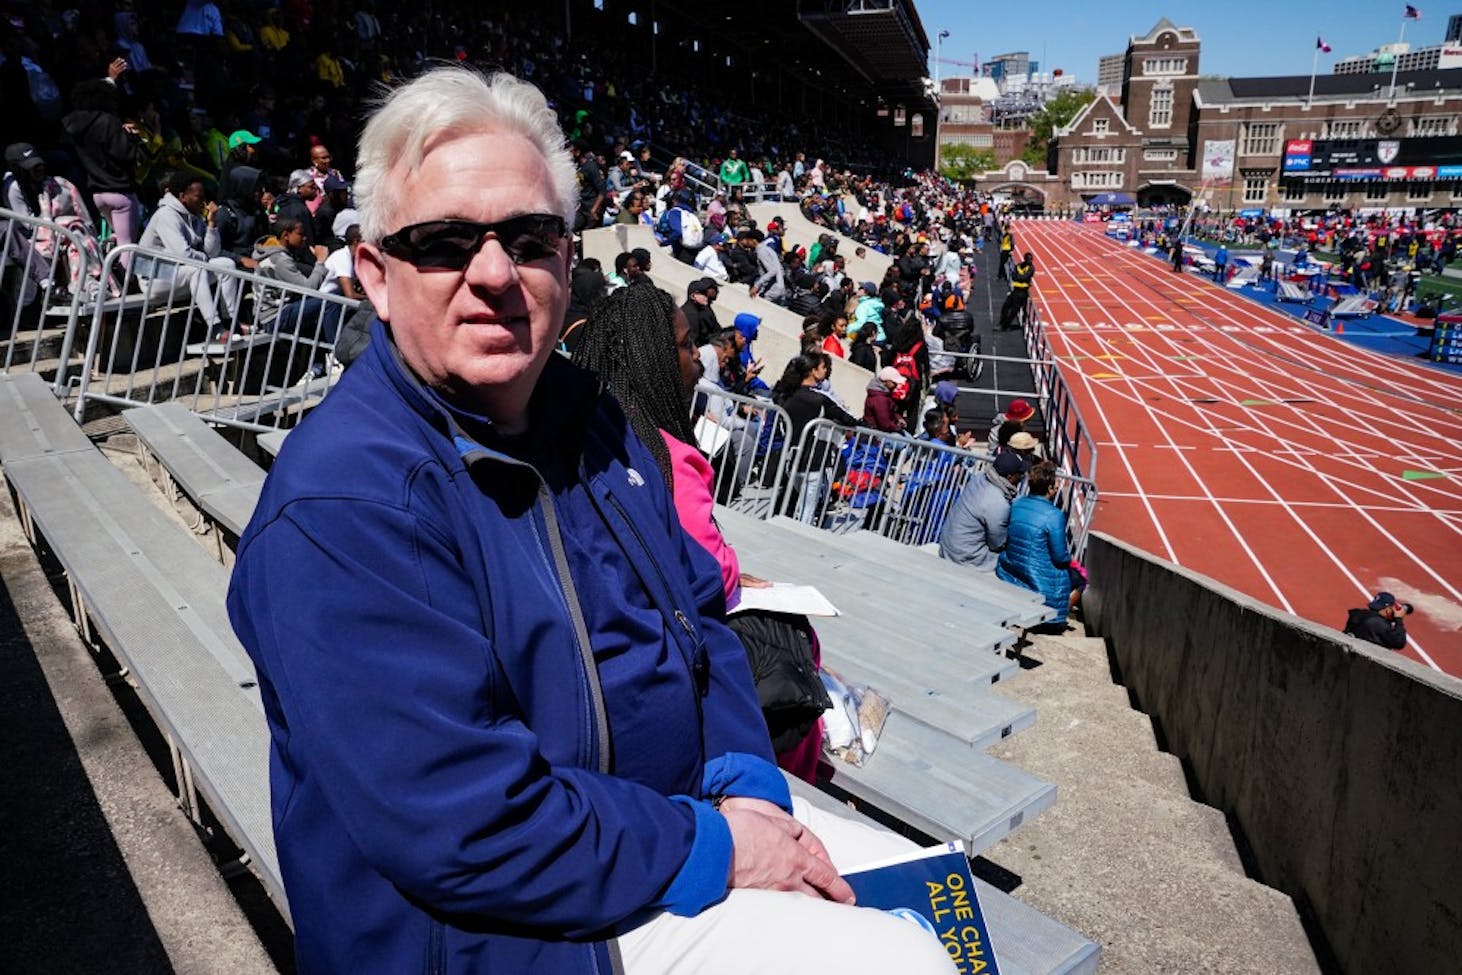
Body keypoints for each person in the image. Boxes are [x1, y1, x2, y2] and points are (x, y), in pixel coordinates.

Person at [227, 67, 953, 975]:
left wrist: (747, 787)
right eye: (446, 243)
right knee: (907, 962)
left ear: (568, 262)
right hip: (500, 930)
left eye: (527, 238)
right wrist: (723, 847)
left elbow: (701, 628)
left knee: (936, 903)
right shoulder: (343, 506)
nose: (493, 274)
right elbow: (469, 825)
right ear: (375, 274)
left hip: (670, 828)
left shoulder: (598, 418)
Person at [136, 173, 243, 339]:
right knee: (196, 270)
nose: (202, 201)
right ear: (182, 196)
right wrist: (205, 260)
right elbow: (182, 255)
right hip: (154, 277)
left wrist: (211, 223)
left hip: (179, 274)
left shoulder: (194, 216)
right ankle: (216, 328)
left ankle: (231, 322)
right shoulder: (166, 215)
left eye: (203, 196)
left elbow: (212, 252)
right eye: (198, 197)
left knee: (227, 265)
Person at [997, 461, 1081, 630]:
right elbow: (1060, 557)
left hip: (1010, 572)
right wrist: (1072, 563)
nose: (1057, 487)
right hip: (1039, 584)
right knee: (1082, 578)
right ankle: (1057, 618)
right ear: (1049, 488)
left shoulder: (1017, 503)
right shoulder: (1054, 515)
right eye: (1056, 483)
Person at [940, 451, 1028, 570]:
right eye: (1020, 474)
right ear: (1010, 477)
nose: (1022, 477)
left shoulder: (980, 478)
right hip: (965, 557)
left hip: (949, 545)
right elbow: (997, 543)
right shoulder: (997, 503)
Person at [1342, 592, 1412, 650]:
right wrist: (1398, 619)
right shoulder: (1378, 624)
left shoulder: (1359, 614)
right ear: (1388, 610)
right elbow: (1399, 643)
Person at [862, 366, 907, 433]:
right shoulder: (880, 399)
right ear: (886, 381)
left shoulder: (884, 395)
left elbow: (890, 411)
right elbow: (885, 424)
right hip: (877, 434)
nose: (896, 385)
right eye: (894, 382)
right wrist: (898, 428)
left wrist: (898, 418)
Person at [998, 252, 1034, 330]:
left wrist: (1019, 277)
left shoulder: (1031, 268)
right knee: (1006, 306)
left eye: (1031, 259)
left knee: (1014, 310)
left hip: (1023, 292)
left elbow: (1025, 277)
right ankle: (1002, 322)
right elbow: (1014, 276)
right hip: (1015, 290)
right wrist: (1020, 277)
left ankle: (1005, 326)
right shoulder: (1018, 266)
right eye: (1028, 259)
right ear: (1025, 259)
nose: (1030, 261)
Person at [682, 277, 721, 347]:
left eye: (706, 293)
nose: (706, 297)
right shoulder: (691, 314)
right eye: (703, 294)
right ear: (693, 296)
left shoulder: (698, 310)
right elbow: (692, 343)